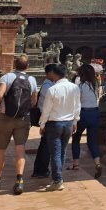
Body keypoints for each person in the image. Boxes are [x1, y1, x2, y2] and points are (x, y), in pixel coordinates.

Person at [0, 54, 39, 195]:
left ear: (14, 64)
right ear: (27, 66)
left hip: (6, 117)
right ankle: (19, 180)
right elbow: (34, 101)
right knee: (20, 149)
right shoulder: (32, 80)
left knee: (0, 149)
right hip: (23, 118)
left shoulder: (7, 77)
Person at [38, 63, 80, 191]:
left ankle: (57, 180)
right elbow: (77, 106)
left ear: (55, 74)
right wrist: (75, 121)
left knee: (55, 152)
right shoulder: (74, 88)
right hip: (68, 123)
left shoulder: (53, 89)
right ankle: (58, 177)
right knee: (62, 151)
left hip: (55, 123)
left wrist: (42, 124)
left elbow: (46, 110)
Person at [71, 63, 103, 179]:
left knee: (76, 138)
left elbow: (76, 102)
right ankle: (97, 163)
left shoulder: (80, 86)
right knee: (93, 141)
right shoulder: (94, 85)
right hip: (94, 113)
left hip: (83, 113)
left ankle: (76, 164)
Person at [29, 71, 55, 180]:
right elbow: (46, 107)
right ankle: (42, 170)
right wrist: (43, 124)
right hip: (48, 119)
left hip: (47, 119)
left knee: (44, 145)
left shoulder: (49, 85)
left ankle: (40, 169)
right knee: (46, 147)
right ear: (49, 74)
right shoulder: (48, 87)